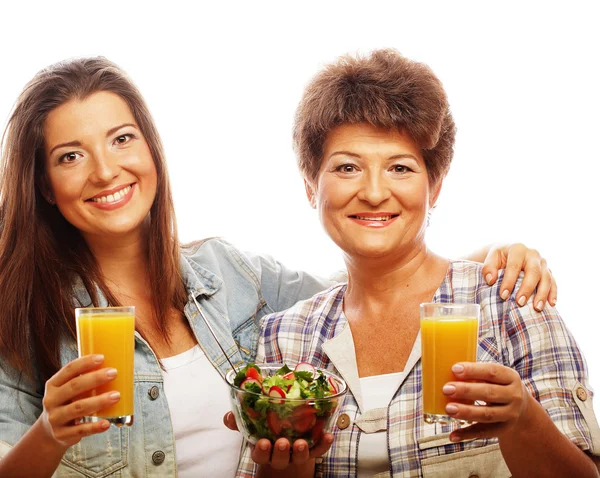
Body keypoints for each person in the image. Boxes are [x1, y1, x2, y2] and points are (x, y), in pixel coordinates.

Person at [0, 57, 555, 478]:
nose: (104, 170)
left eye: (122, 139)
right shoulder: (20, 320)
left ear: (151, 151)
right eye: (69, 155)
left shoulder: (232, 278)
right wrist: (50, 432)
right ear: (44, 185)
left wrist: (484, 261)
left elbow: (367, 289)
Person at [232, 49, 600, 477]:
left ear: (435, 188)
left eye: (400, 168)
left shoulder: (509, 300)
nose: (373, 192)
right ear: (311, 187)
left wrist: (523, 420)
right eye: (348, 167)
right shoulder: (287, 336)